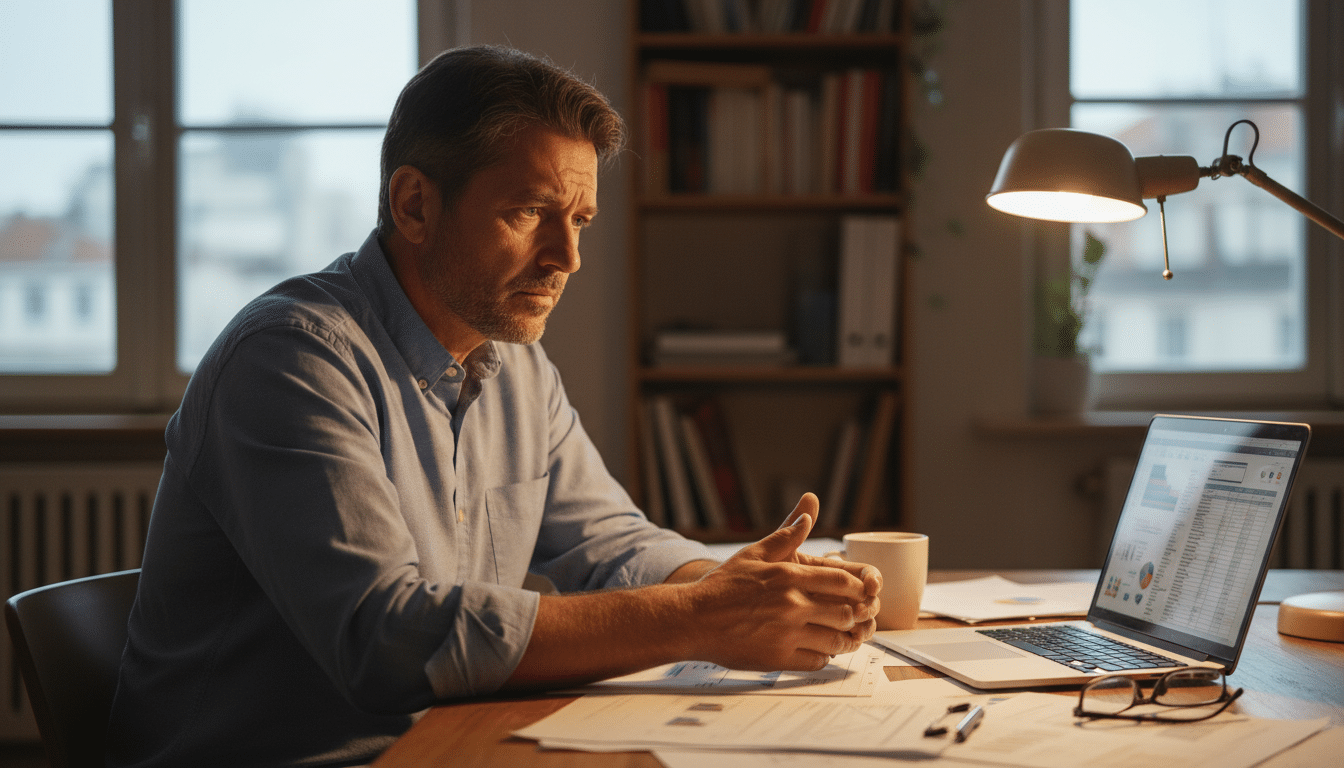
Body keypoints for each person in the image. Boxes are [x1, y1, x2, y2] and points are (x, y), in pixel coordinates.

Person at [107, 45, 881, 767]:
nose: (567, 259)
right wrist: (702, 617)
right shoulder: (289, 359)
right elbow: (387, 638)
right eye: (530, 213)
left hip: (447, 743)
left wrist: (726, 584)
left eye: (578, 221)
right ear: (414, 205)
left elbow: (607, 544)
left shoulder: (516, 365)